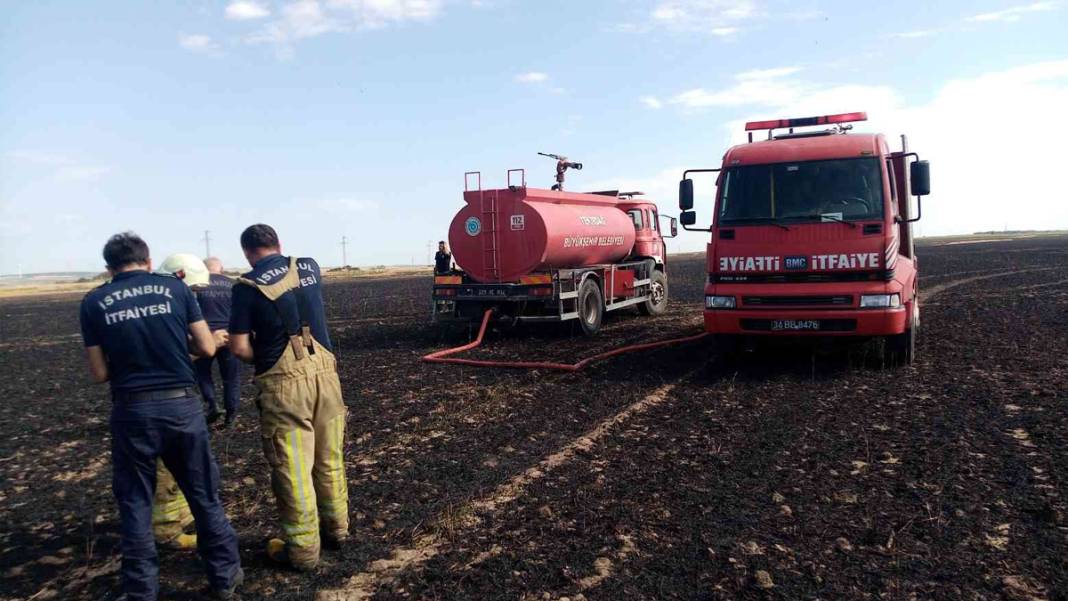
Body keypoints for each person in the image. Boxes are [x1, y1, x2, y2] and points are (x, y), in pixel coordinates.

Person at [79, 233, 242, 600]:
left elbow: (99, 373)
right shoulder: (176, 290)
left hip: (132, 409)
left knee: (136, 502)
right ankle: (225, 576)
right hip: (180, 407)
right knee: (203, 495)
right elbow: (202, 346)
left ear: (109, 267)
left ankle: (141, 591)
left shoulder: (93, 302)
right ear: (148, 262)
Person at [229, 224, 349, 570]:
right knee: (329, 459)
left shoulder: (246, 287)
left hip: (284, 386)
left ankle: (302, 551)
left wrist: (262, 351)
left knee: (293, 468)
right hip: (326, 375)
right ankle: (338, 530)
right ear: (278, 244)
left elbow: (239, 347)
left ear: (248, 252)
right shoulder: (308, 266)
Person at [194, 257, 242, 428]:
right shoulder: (233, 284)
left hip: (205, 337)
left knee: (203, 374)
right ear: (221, 268)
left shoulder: (198, 284)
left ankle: (212, 404)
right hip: (229, 336)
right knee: (231, 377)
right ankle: (231, 414)